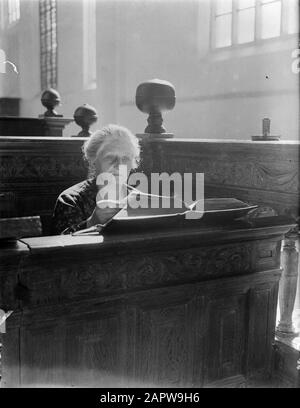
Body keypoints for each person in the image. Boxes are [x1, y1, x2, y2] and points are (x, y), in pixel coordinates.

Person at [52, 124, 140, 234]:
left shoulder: (139, 199)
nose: (119, 165)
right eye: (110, 157)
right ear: (93, 162)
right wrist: (92, 222)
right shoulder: (71, 199)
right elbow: (60, 244)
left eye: (126, 158)